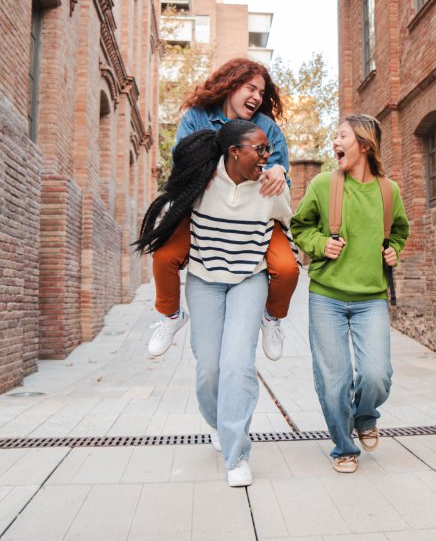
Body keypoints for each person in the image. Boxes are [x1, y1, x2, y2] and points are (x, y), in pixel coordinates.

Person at [136, 120, 295, 487]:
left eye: (268, 149)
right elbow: (172, 218)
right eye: (260, 148)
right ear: (234, 151)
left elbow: (286, 227)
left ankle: (237, 452)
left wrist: (278, 173)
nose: (266, 155)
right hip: (205, 281)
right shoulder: (202, 182)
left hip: (248, 281)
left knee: (237, 365)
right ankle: (218, 423)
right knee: (209, 370)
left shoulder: (271, 187)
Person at [147, 58, 298, 362]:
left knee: (286, 268)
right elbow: (181, 162)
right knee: (163, 255)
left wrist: (280, 170)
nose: (256, 96)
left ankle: (271, 319)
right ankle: (171, 316)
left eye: (261, 91)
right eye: (250, 87)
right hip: (203, 209)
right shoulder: (197, 117)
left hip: (253, 216)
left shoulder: (266, 128)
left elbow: (280, 175)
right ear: (231, 85)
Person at [291, 115, 409, 474]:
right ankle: (343, 446)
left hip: (371, 298)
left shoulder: (389, 191)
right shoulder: (324, 184)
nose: (335, 142)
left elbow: (399, 231)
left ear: (364, 144)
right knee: (334, 379)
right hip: (326, 296)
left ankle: (365, 416)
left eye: (342, 136)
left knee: (377, 374)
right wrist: (319, 243)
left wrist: (394, 251)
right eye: (335, 136)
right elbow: (299, 226)